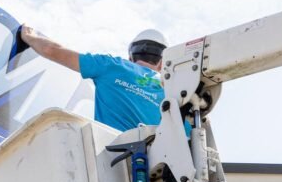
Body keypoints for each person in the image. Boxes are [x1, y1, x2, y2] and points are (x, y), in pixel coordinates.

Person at [19, 26, 170, 132]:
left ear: (131, 57)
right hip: (155, 172)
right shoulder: (173, 92)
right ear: (162, 63)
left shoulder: (111, 65)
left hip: (111, 161)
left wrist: (29, 36)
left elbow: (51, 50)